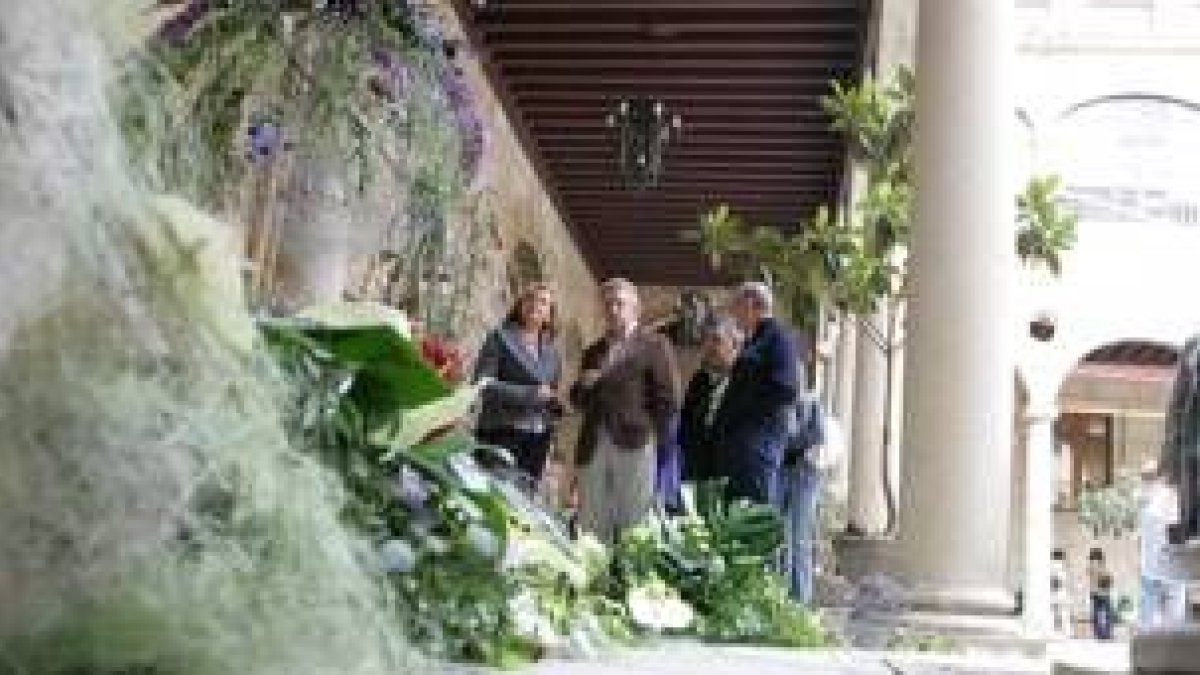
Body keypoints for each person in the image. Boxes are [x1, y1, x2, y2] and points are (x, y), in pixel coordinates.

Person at [570, 278, 680, 544]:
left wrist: (658, 439)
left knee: (634, 522)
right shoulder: (592, 352)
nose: (613, 309)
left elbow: (668, 398)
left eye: (619, 303)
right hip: (593, 443)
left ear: (635, 309)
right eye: (607, 304)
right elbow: (577, 401)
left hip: (635, 441)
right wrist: (583, 387)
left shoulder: (655, 345)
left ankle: (630, 582)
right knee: (591, 520)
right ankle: (595, 581)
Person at [717, 282, 800, 505]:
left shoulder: (778, 338)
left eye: (736, 306)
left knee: (756, 513)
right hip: (743, 445)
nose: (734, 314)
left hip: (759, 443)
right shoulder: (755, 339)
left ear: (751, 304)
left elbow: (786, 389)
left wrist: (745, 412)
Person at [473, 282, 562, 482]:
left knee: (523, 501)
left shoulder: (553, 353)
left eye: (543, 302)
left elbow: (549, 394)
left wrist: (557, 407)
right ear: (520, 305)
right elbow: (483, 383)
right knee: (493, 492)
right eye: (530, 298)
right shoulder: (500, 337)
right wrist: (529, 394)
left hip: (537, 438)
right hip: (501, 429)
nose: (535, 305)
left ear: (549, 314)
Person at [678, 316, 745, 485]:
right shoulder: (699, 380)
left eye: (716, 340)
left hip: (733, 473)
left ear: (735, 345)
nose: (708, 347)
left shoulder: (747, 382)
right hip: (697, 472)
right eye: (705, 340)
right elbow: (686, 423)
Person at [779, 390, 829, 605]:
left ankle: (799, 601)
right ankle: (782, 597)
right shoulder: (781, 400)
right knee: (781, 537)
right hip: (784, 470)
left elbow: (817, 436)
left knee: (799, 538)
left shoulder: (809, 401)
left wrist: (786, 446)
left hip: (804, 473)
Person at [1140, 468, 1188, 629]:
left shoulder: (1152, 499)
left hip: (1159, 566)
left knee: (1154, 615)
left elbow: (1174, 530)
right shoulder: (1162, 497)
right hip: (1164, 566)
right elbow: (1176, 531)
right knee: (1169, 615)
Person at [1088, 547, 1115, 640]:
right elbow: (1106, 577)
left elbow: (1092, 578)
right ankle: (1106, 633)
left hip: (1094, 592)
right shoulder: (1101, 565)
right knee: (1107, 613)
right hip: (1103, 592)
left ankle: (1098, 633)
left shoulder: (1090, 566)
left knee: (1096, 613)